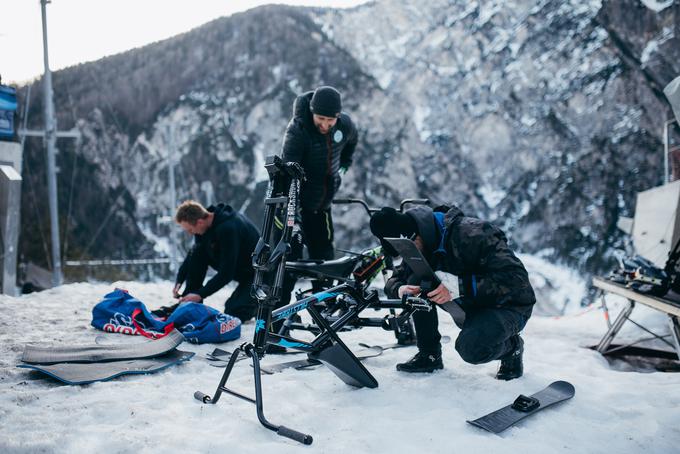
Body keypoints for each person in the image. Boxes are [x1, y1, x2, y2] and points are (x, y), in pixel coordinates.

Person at [369, 204, 535, 380]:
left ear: (416, 234)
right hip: (471, 306)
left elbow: (517, 280)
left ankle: (513, 348)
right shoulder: (420, 244)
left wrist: (458, 286)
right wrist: (400, 289)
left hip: (507, 307)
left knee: (471, 349)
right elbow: (395, 279)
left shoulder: (475, 233)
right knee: (417, 281)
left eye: (409, 248)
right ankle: (429, 355)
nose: (409, 254)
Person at [281, 85, 358, 260]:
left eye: (330, 120)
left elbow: (353, 140)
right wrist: (293, 215)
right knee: (290, 259)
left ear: (337, 117)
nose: (325, 124)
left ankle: (321, 288)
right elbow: (287, 171)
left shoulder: (344, 126)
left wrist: (345, 163)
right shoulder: (298, 130)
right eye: (320, 118)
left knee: (324, 259)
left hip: (322, 205)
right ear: (312, 111)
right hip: (296, 204)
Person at [167, 200, 261, 322]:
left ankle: (259, 305)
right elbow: (193, 254)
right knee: (199, 251)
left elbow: (226, 273)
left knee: (234, 312)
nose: (191, 234)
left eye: (190, 230)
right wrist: (180, 279)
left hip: (257, 275)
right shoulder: (204, 225)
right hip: (239, 269)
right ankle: (188, 303)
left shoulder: (228, 228)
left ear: (200, 222)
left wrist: (201, 294)